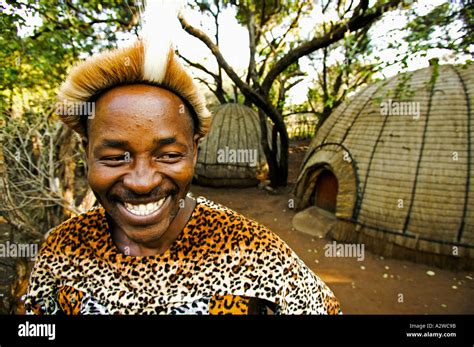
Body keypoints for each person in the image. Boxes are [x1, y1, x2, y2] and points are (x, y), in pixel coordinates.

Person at [24, 3, 341, 315]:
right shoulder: (63, 249)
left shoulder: (253, 251)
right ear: (87, 154)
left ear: (195, 151)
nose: (143, 181)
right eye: (115, 158)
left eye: (169, 155)